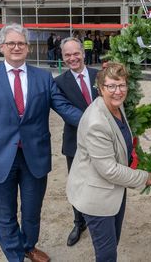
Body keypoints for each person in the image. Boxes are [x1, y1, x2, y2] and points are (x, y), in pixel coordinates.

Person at [0, 23, 83, 262]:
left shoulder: (43, 77)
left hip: (34, 156)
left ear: (27, 47)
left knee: (32, 212)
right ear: (2, 46)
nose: (16, 47)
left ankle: (28, 246)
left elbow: (65, 108)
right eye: (11, 43)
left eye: (21, 43)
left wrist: (98, 119)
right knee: (3, 214)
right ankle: (15, 256)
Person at [66, 62, 151, 262]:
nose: (117, 91)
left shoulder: (115, 106)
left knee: (112, 243)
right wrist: (145, 178)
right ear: (100, 88)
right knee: (106, 254)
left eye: (122, 85)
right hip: (96, 196)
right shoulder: (97, 121)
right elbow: (109, 170)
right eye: (111, 86)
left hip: (113, 192)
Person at [54, 37, 99, 247]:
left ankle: (99, 217)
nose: (72, 58)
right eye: (67, 55)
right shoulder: (59, 83)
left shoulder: (99, 75)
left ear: (83, 53)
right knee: (77, 184)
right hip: (76, 142)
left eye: (75, 53)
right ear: (63, 57)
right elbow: (65, 111)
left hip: (103, 142)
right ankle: (79, 222)